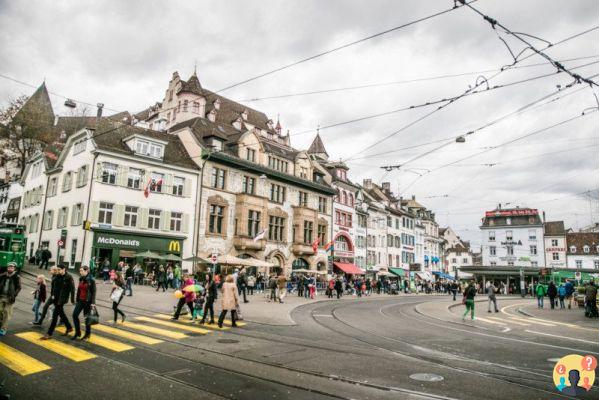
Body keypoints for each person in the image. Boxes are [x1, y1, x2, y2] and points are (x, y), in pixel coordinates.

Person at [41, 264, 74, 340]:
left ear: (64, 269)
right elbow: (53, 286)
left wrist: (72, 300)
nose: (58, 271)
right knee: (61, 313)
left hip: (62, 299)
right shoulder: (57, 276)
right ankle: (69, 327)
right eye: (57, 269)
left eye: (59, 269)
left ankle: (49, 333)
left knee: (55, 316)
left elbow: (72, 289)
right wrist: (52, 294)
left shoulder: (69, 277)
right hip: (55, 298)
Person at [71, 266, 96, 340]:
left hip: (87, 301)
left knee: (86, 318)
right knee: (74, 315)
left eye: (82, 271)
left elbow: (94, 291)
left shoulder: (91, 280)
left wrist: (93, 302)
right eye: (80, 271)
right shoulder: (81, 279)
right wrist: (77, 299)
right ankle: (77, 332)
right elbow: (79, 290)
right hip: (80, 301)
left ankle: (87, 334)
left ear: (86, 271)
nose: (80, 272)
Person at [0, 262, 21, 336]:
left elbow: (19, 288)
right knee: (0, 312)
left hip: (9, 298)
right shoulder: (3, 275)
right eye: (9, 267)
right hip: (1, 296)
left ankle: (3, 328)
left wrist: (14, 295)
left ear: (14, 268)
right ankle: (1, 325)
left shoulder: (17, 277)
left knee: (6, 313)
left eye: (11, 267)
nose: (10, 268)